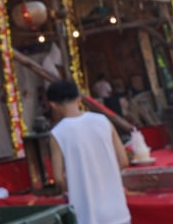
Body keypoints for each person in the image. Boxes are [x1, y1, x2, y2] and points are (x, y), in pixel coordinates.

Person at [46, 79, 130, 224]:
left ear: (53, 104)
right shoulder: (103, 121)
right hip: (117, 211)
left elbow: (59, 178)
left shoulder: (58, 133)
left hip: (86, 214)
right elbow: (123, 161)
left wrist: (77, 185)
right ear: (79, 98)